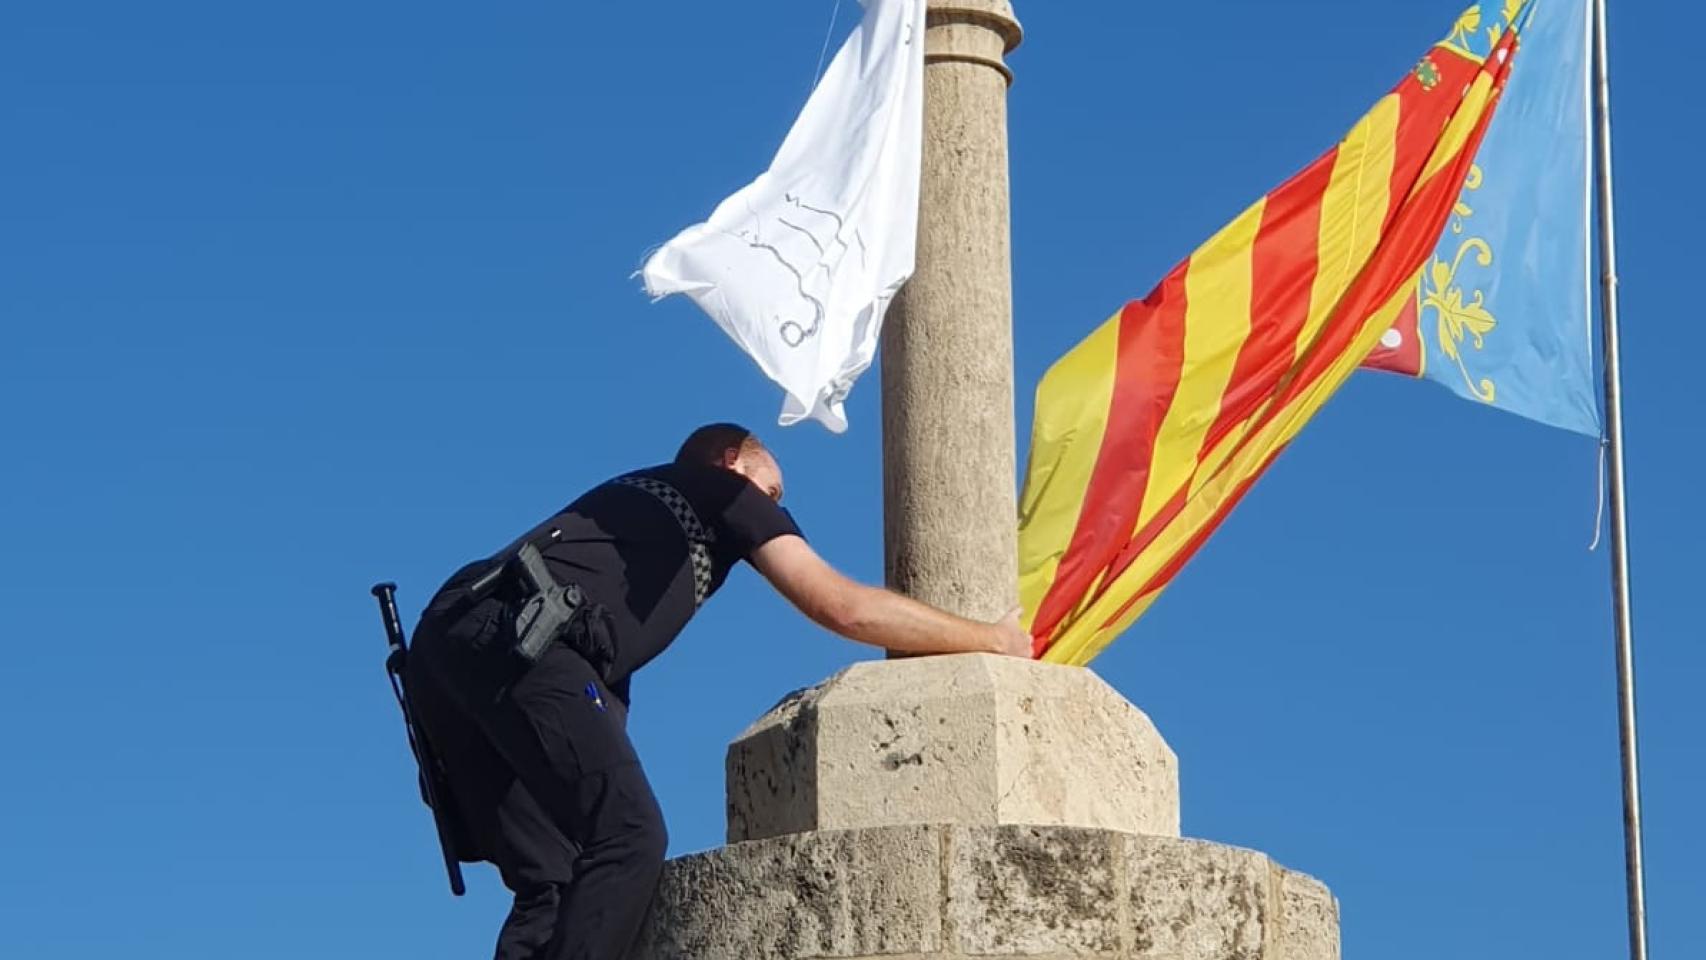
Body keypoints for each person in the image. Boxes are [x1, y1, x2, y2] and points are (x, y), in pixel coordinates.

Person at [405, 422, 1032, 960]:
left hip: (445, 646)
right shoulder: (722, 489)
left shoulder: (627, 528)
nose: (775, 507)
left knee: (554, 876)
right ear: (733, 460)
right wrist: (991, 639)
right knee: (629, 836)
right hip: (524, 641)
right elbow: (841, 606)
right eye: (774, 491)